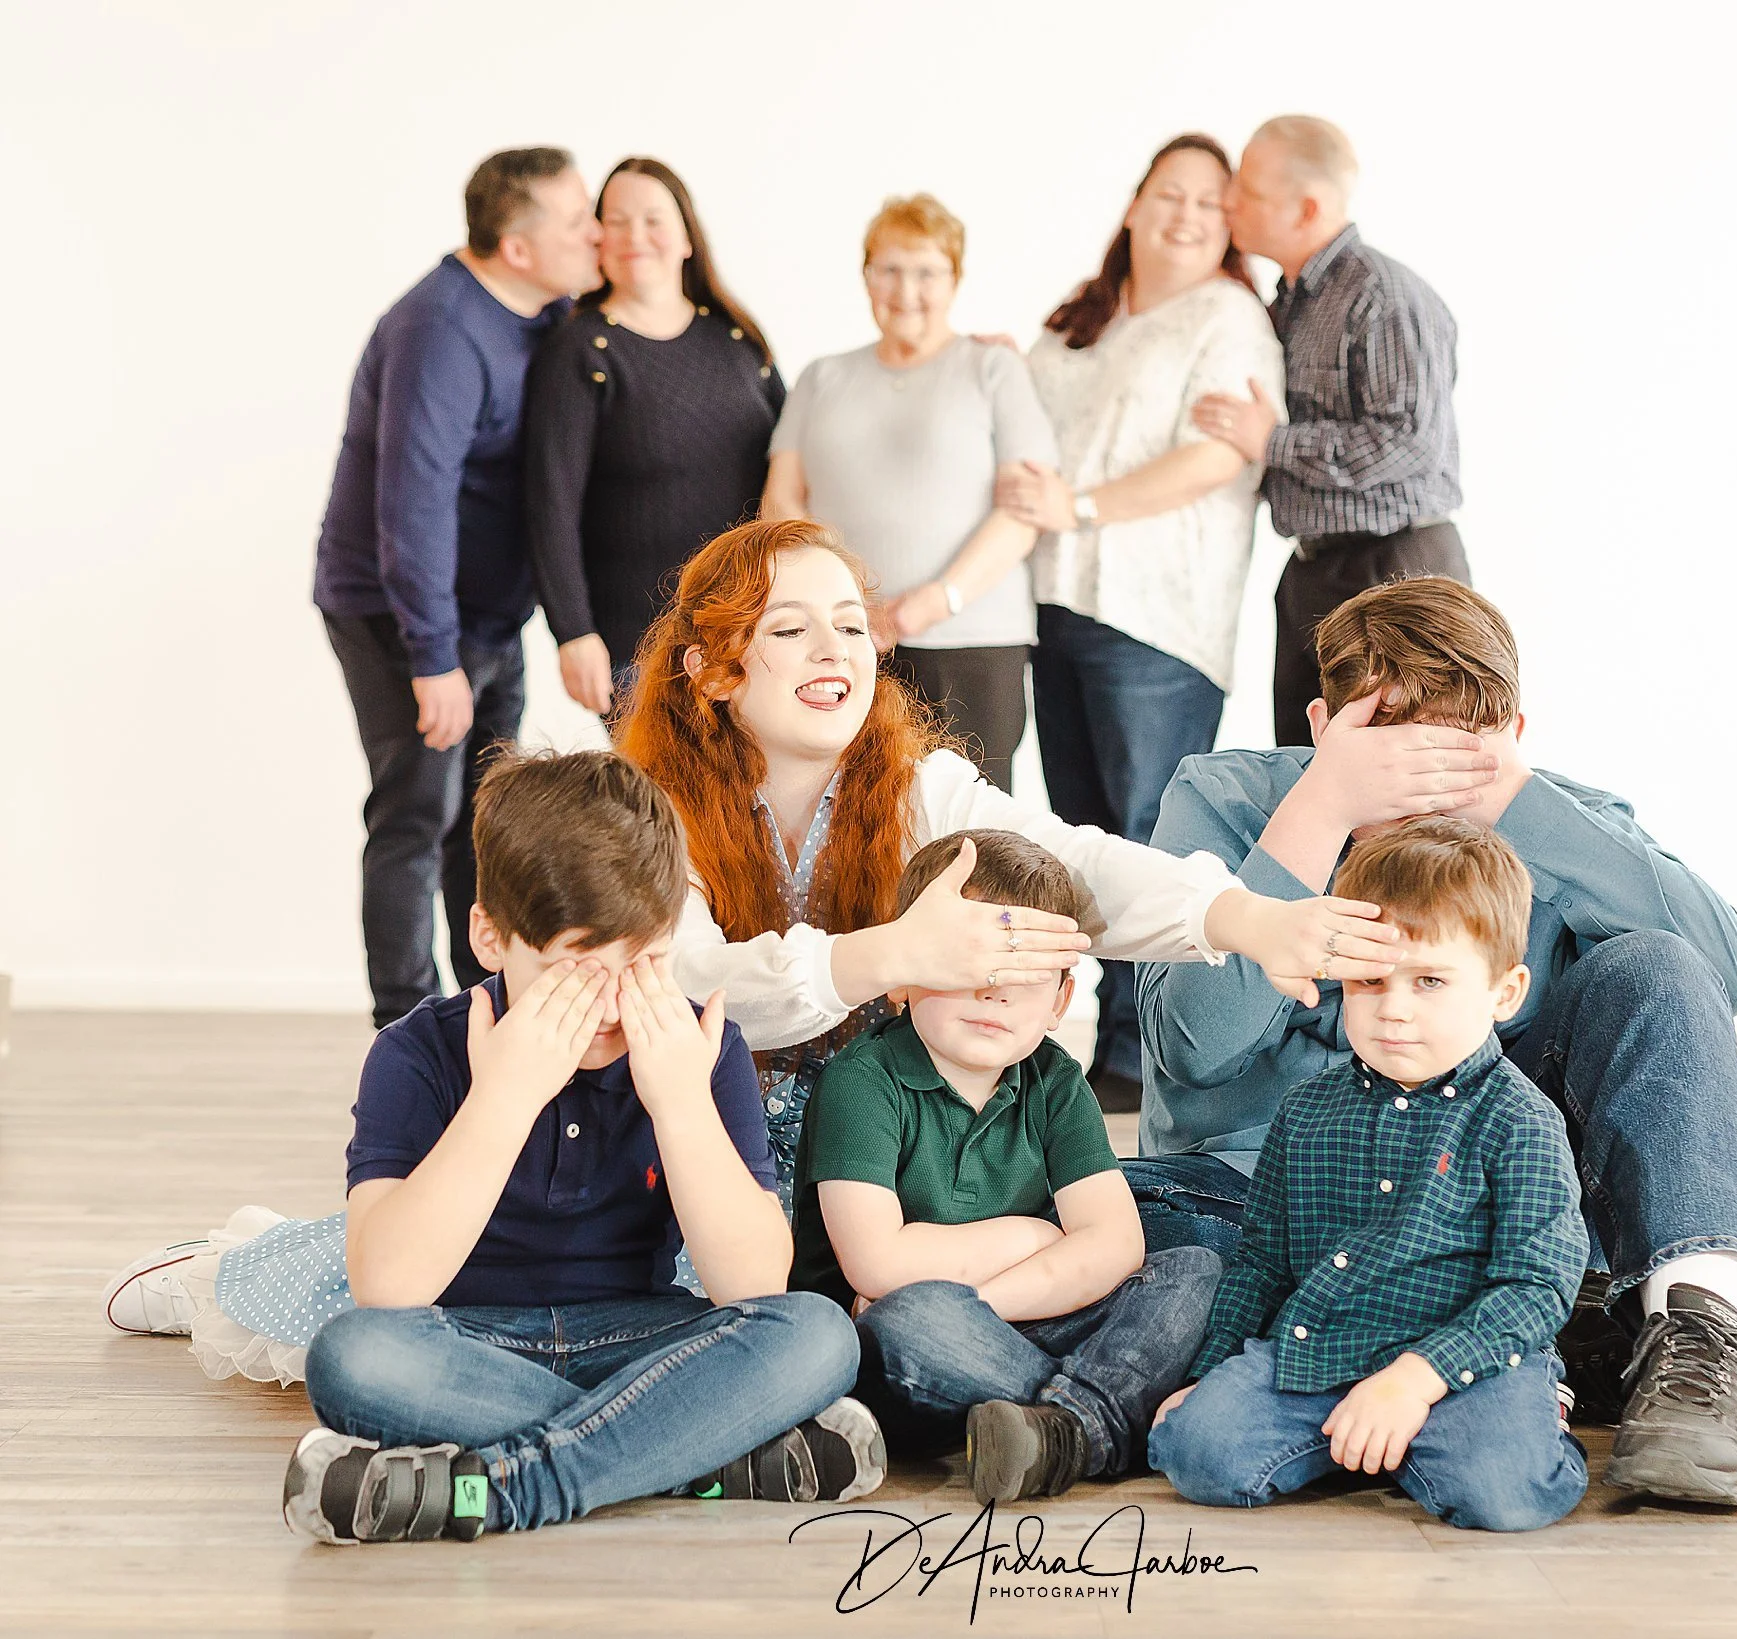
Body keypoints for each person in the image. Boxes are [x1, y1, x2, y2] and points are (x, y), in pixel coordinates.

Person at [103, 520, 1379, 1381]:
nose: (837, 653)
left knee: (1133, 1211)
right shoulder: (639, 802)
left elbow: (1079, 865)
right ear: (716, 667)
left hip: (862, 1128)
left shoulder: (919, 783)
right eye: (792, 631)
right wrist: (890, 954)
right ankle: (232, 1265)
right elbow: (696, 988)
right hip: (690, 1121)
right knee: (442, 1282)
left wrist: (1245, 918)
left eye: (849, 626)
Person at [1128, 576, 1737, 1507]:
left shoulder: (1553, 816)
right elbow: (1189, 1046)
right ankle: (1517, 1350)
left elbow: (1724, 978)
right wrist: (1319, 812)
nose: (1422, 784)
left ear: (1512, 739)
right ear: (1324, 726)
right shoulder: (1226, 797)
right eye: (1390, 753)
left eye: (1455, 753)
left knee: (1658, 963)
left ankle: (1698, 1338)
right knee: (1143, 1246)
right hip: (1263, 1213)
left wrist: (1519, 805)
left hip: (1477, 1214)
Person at [280, 748, 881, 1544]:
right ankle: (696, 1451)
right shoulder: (416, 1052)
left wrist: (679, 1103)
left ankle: (505, 1489)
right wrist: (506, 1095)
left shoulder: (700, 1047)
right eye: (577, 968)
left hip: (643, 1338)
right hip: (470, 1345)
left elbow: (753, 1282)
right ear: (491, 939)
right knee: (355, 1357)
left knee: (817, 1331)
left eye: (647, 962)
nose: (613, 1000)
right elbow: (388, 1285)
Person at [1150, 817, 1588, 1530]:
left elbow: (1537, 1285)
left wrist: (1416, 1381)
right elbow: (1261, 1265)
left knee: (1504, 1492)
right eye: (1369, 980)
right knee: (1195, 1451)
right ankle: (1360, 1441)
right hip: (1319, 1351)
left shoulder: (1520, 1120)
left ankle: (1524, 1411)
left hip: (1461, 1367)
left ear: (1504, 993)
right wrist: (1207, 1373)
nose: (1395, 1009)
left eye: (1430, 981)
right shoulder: (1306, 1111)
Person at [792, 830, 1221, 1504]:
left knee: (1191, 1268)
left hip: (1014, 1312)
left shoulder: (1052, 1080)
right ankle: (1108, 1417)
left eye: (1025, 976)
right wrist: (1035, 1238)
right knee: (913, 1316)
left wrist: (987, 1302)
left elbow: (1116, 1242)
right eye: (973, 966)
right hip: (905, 1347)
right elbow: (877, 1266)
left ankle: (1064, 1427)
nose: (996, 993)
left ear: (1058, 999)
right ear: (904, 972)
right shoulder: (865, 1080)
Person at [996, 133, 1286, 1112]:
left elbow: (1215, 462)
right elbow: (1023, 429)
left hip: (1157, 619)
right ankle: (1105, 1048)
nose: (1186, 216)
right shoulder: (1081, 319)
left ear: (1230, 227)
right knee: (1080, 833)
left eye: (1210, 206)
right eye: (1170, 195)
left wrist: (1080, 507)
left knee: (1149, 833)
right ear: (1133, 204)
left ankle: (1150, 1054)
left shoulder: (1228, 320)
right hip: (1057, 603)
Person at [313, 147, 601, 1028]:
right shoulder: (442, 329)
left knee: (484, 827)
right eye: (577, 219)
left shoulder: (545, 314)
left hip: (484, 619)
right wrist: (432, 659)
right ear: (517, 247)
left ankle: (487, 1012)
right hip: (402, 617)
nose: (595, 233)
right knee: (416, 818)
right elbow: (414, 506)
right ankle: (406, 1034)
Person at [760, 195, 1054, 791]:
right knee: (848, 810)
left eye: (927, 272)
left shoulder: (993, 369)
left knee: (971, 823)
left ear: (955, 280)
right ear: (865, 276)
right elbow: (780, 502)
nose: (906, 289)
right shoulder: (822, 377)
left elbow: (1023, 514)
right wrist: (848, 604)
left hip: (970, 640)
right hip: (844, 639)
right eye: (888, 269)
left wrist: (935, 600)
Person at [1191, 116, 1467, 748]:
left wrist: (1274, 443)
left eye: (1248, 191)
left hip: (1396, 568)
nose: (1229, 201)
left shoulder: (1384, 295)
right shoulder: (1286, 300)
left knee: (1405, 779)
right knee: (1307, 769)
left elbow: (1409, 441)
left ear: (1307, 207)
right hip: (1313, 573)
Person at [525, 157, 784, 718]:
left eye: (652, 219)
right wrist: (572, 632)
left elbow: (797, 464)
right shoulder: (582, 353)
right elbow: (550, 505)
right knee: (666, 806)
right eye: (615, 221)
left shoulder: (737, 341)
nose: (633, 236)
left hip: (751, 638)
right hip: (637, 647)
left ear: (687, 237)